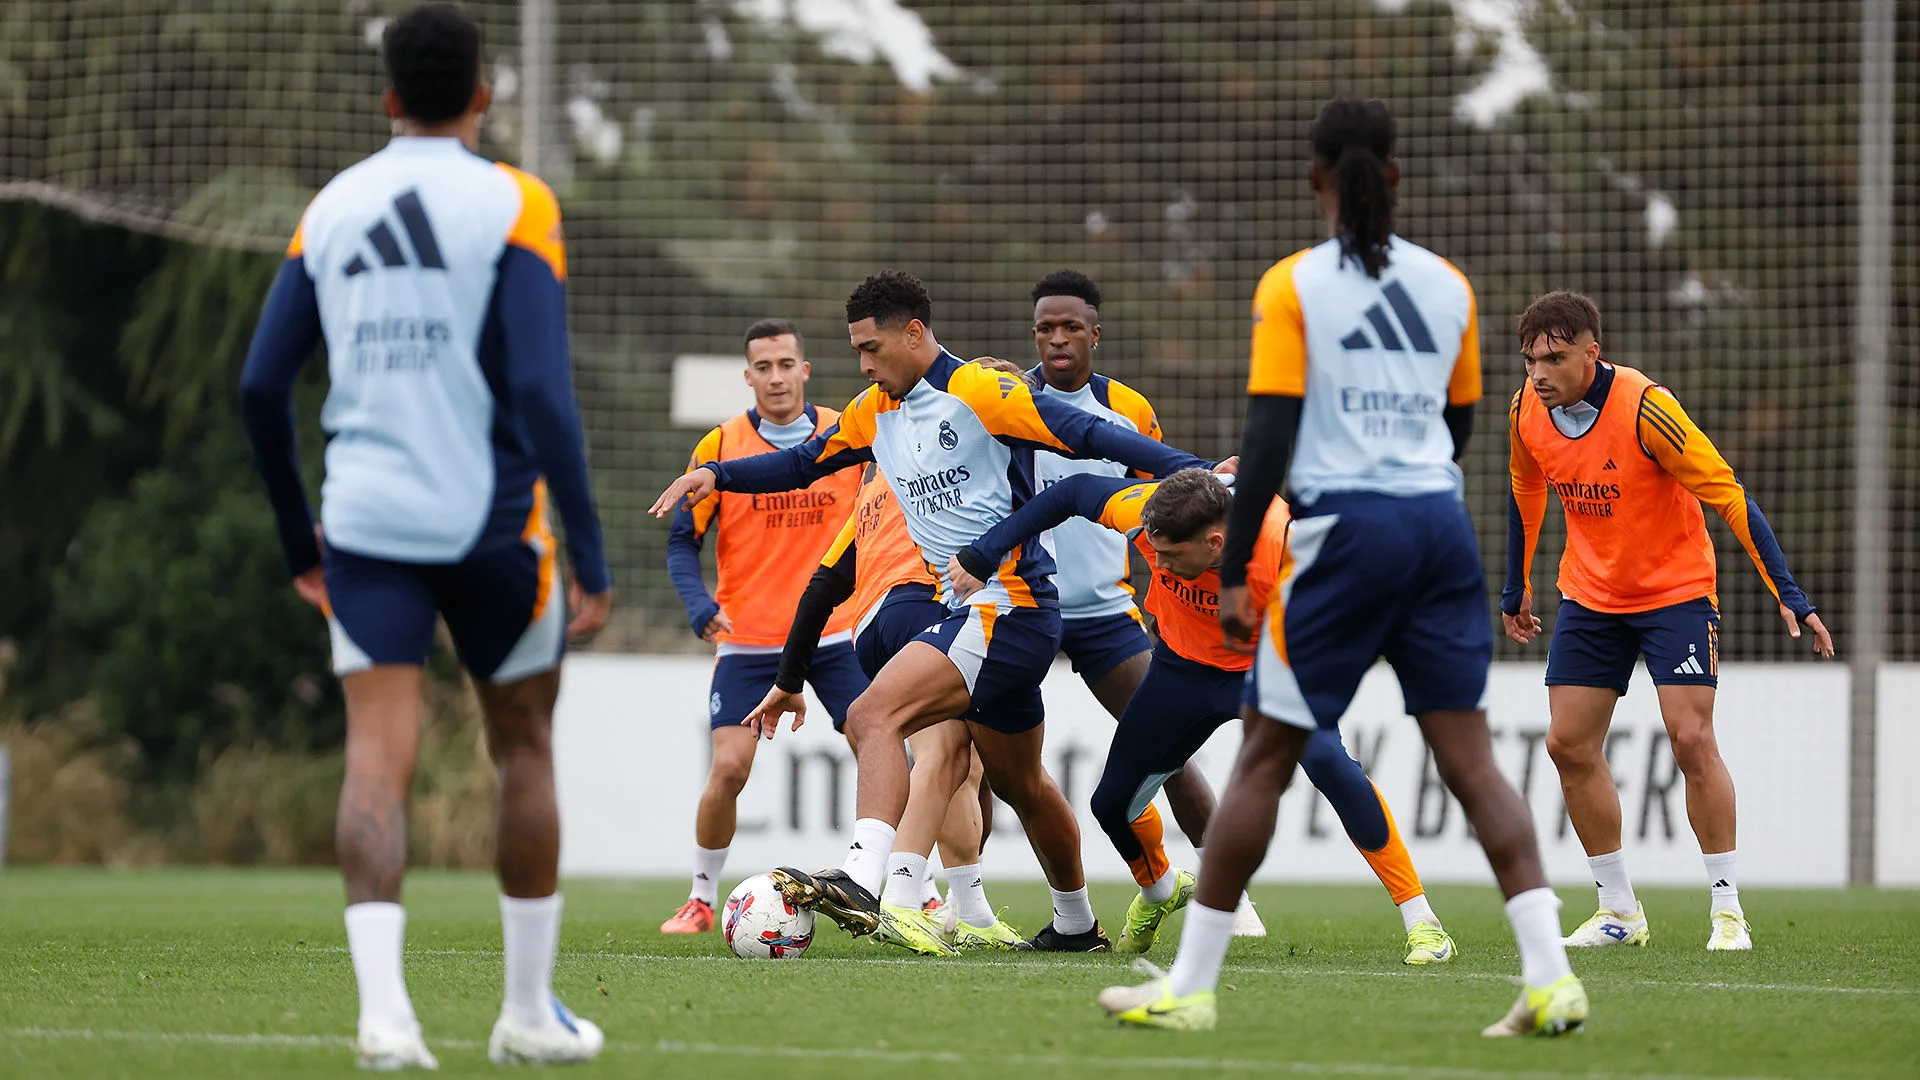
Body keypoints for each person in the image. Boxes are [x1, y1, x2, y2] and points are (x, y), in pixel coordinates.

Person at [1098, 97, 1587, 1037]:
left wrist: (1237, 565)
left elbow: (1270, 432)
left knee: (1264, 756)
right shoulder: (1450, 286)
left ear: (1316, 179)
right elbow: (1458, 427)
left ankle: (1191, 988)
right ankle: (1549, 977)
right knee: (1473, 761)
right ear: (1394, 176)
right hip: (1441, 529)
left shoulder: (1294, 285)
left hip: (1347, 533)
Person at [238, 3, 608, 1067]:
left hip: (365, 527)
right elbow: (541, 390)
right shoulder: (516, 203)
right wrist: (589, 550)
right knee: (524, 747)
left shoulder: (333, 207)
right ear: (483, 94)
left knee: (374, 765)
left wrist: (296, 544)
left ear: (389, 96)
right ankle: (528, 1016)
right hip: (494, 524)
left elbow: (263, 387)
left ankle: (385, 1021)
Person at [649, 269, 1218, 953]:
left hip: (1010, 606)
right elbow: (803, 464)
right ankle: (1075, 925)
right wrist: (721, 474)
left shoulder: (979, 391)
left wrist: (1198, 471)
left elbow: (1087, 435)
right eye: (857, 350)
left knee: (872, 714)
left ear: (914, 334)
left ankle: (864, 876)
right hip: (980, 613)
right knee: (1022, 784)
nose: (862, 364)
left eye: (872, 348)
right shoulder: (874, 410)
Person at [949, 469, 1454, 962]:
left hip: (1272, 671)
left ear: (1215, 544)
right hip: (1182, 671)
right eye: (1155, 550)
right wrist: (987, 549)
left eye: (1170, 555)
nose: (1158, 563)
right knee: (1110, 805)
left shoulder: (1285, 541)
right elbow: (1075, 491)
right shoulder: (1144, 513)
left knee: (1333, 768)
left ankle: (1423, 922)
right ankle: (1160, 891)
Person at [1502, 290, 1834, 952]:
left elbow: (1728, 494)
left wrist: (1789, 592)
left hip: (1674, 593)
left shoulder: (1648, 409)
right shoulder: (1524, 411)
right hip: (1590, 596)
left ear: (1592, 353)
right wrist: (1517, 585)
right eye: (1530, 359)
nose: (1539, 373)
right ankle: (1618, 910)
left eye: (1555, 358)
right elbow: (1525, 489)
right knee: (1567, 746)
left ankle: (1727, 909)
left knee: (1689, 738)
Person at [1023, 271, 1262, 937]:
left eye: (1071, 326)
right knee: (980, 756)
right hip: (1020, 606)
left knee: (1170, 755)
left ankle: (1227, 895)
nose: (1059, 338)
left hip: (1104, 611)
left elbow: (1175, 500)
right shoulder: (1008, 404)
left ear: (1095, 335)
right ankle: (962, 902)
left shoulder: (1128, 409)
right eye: (1046, 327)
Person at [761, 459, 1022, 951]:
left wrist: (788, 678)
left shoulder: (871, 490)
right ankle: (896, 895)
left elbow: (820, 589)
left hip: (874, 623)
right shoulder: (938, 464)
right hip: (919, 605)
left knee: (963, 763)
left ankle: (970, 912)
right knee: (942, 755)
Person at [659, 319, 866, 935]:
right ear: (747, 376)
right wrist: (698, 605)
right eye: (763, 367)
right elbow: (680, 544)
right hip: (748, 641)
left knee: (880, 748)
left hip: (837, 634)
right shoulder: (718, 447)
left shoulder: (845, 432)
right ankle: (700, 897)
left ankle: (913, 888)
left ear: (805, 369)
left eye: (786, 364)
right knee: (729, 769)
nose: (776, 377)